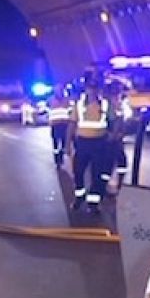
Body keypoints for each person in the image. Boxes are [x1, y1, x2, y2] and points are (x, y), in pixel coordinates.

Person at [72, 70, 113, 212]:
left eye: (95, 88)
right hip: (82, 143)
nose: (92, 91)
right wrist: (67, 144)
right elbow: (72, 123)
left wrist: (114, 136)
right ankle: (79, 196)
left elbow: (113, 121)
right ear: (86, 89)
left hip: (99, 143)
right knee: (78, 172)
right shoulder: (79, 105)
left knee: (97, 174)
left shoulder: (105, 105)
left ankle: (93, 203)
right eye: (90, 88)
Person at [46, 90, 74, 166]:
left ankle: (60, 157)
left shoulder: (67, 100)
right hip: (55, 124)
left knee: (63, 142)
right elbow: (46, 109)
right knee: (55, 143)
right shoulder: (50, 100)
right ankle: (57, 159)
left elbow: (71, 110)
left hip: (64, 124)